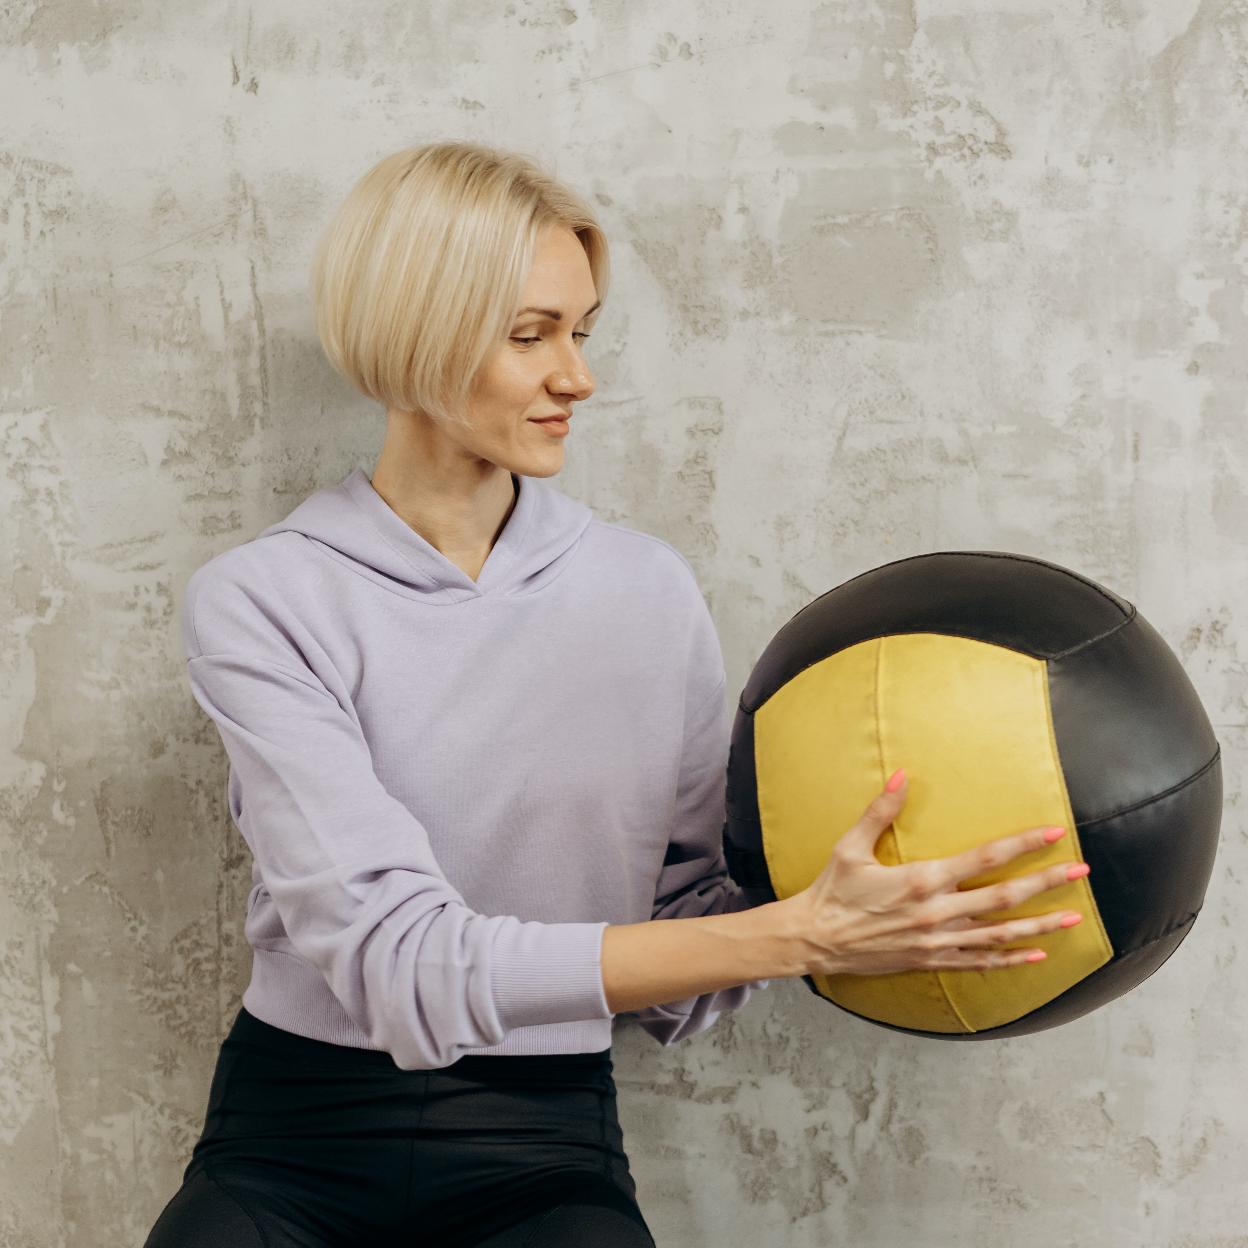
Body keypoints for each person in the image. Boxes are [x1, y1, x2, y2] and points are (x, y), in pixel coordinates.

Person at [142, 142, 1086, 1248]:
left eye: (581, 333)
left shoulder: (646, 592)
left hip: (543, 1146)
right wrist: (799, 937)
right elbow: (398, 966)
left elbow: (680, 945)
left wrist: (881, 878)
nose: (576, 378)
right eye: (530, 334)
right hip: (292, 1143)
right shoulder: (263, 598)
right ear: (418, 332)